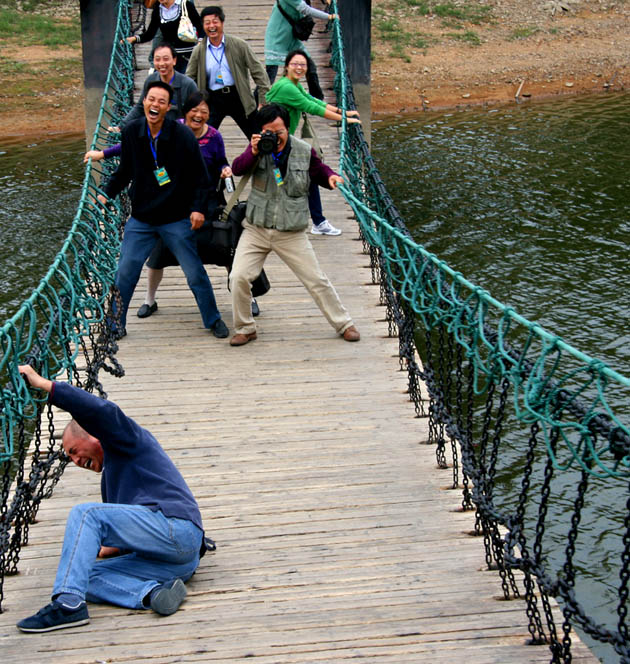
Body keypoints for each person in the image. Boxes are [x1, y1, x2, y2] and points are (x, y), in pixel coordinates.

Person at [15, 365, 209, 632]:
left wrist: (45, 386)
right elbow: (132, 525)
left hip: (177, 530)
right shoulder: (114, 477)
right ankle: (152, 595)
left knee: (86, 514)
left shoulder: (125, 439)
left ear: (95, 436)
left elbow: (102, 412)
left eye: (73, 451)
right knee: (87, 576)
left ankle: (67, 605)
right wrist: (112, 547)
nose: (74, 460)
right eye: (70, 457)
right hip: (176, 564)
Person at [98, 80, 229, 339]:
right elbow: (124, 171)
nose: (155, 105)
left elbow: (201, 178)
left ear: (169, 107)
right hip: (142, 218)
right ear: (144, 102)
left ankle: (213, 319)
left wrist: (198, 209)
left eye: (162, 101)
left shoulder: (181, 136)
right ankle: (115, 326)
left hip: (176, 217)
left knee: (194, 272)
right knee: (125, 272)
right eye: (151, 99)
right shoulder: (132, 132)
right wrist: (105, 195)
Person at [228, 103, 360, 346]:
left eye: (279, 131)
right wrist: (254, 151)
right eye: (269, 131)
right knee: (238, 277)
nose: (275, 137)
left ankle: (344, 323)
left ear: (288, 129)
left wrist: (331, 177)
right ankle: (245, 328)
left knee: (316, 279)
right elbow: (237, 169)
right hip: (257, 227)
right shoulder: (256, 148)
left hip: (290, 230)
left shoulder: (303, 150)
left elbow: (319, 170)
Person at [266, 49, 360, 236]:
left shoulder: (293, 84)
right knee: (280, 179)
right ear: (286, 67)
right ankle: (312, 221)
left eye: (303, 65)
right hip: (274, 144)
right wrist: (343, 120)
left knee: (298, 177)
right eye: (295, 64)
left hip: (284, 142)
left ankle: (316, 221)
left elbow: (314, 101)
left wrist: (343, 112)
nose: (299, 68)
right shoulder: (287, 87)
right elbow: (312, 108)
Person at [186, 6, 270, 139]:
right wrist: (191, 103)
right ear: (203, 25)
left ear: (222, 23)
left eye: (215, 22)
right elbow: (189, 78)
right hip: (212, 98)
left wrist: (264, 100)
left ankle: (264, 159)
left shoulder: (239, 45)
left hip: (238, 96)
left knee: (258, 136)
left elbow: (258, 71)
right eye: (207, 23)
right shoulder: (199, 51)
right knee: (202, 138)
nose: (211, 26)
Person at [264, 0, 338, 99]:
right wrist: (328, 17)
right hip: (277, 37)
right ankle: (254, 105)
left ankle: (317, 99)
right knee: (269, 77)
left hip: (291, 37)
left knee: (309, 65)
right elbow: (305, 9)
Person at [119, 43, 198, 128]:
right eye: (157, 59)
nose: (161, 64)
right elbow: (140, 107)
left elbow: (196, 113)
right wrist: (120, 127)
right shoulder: (151, 80)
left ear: (174, 60)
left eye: (166, 59)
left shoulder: (188, 85)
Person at [126, 0, 203, 74]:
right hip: (168, 58)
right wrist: (134, 39)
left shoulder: (186, 5)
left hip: (186, 58)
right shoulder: (158, 9)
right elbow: (150, 33)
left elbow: (200, 27)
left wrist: (200, 42)